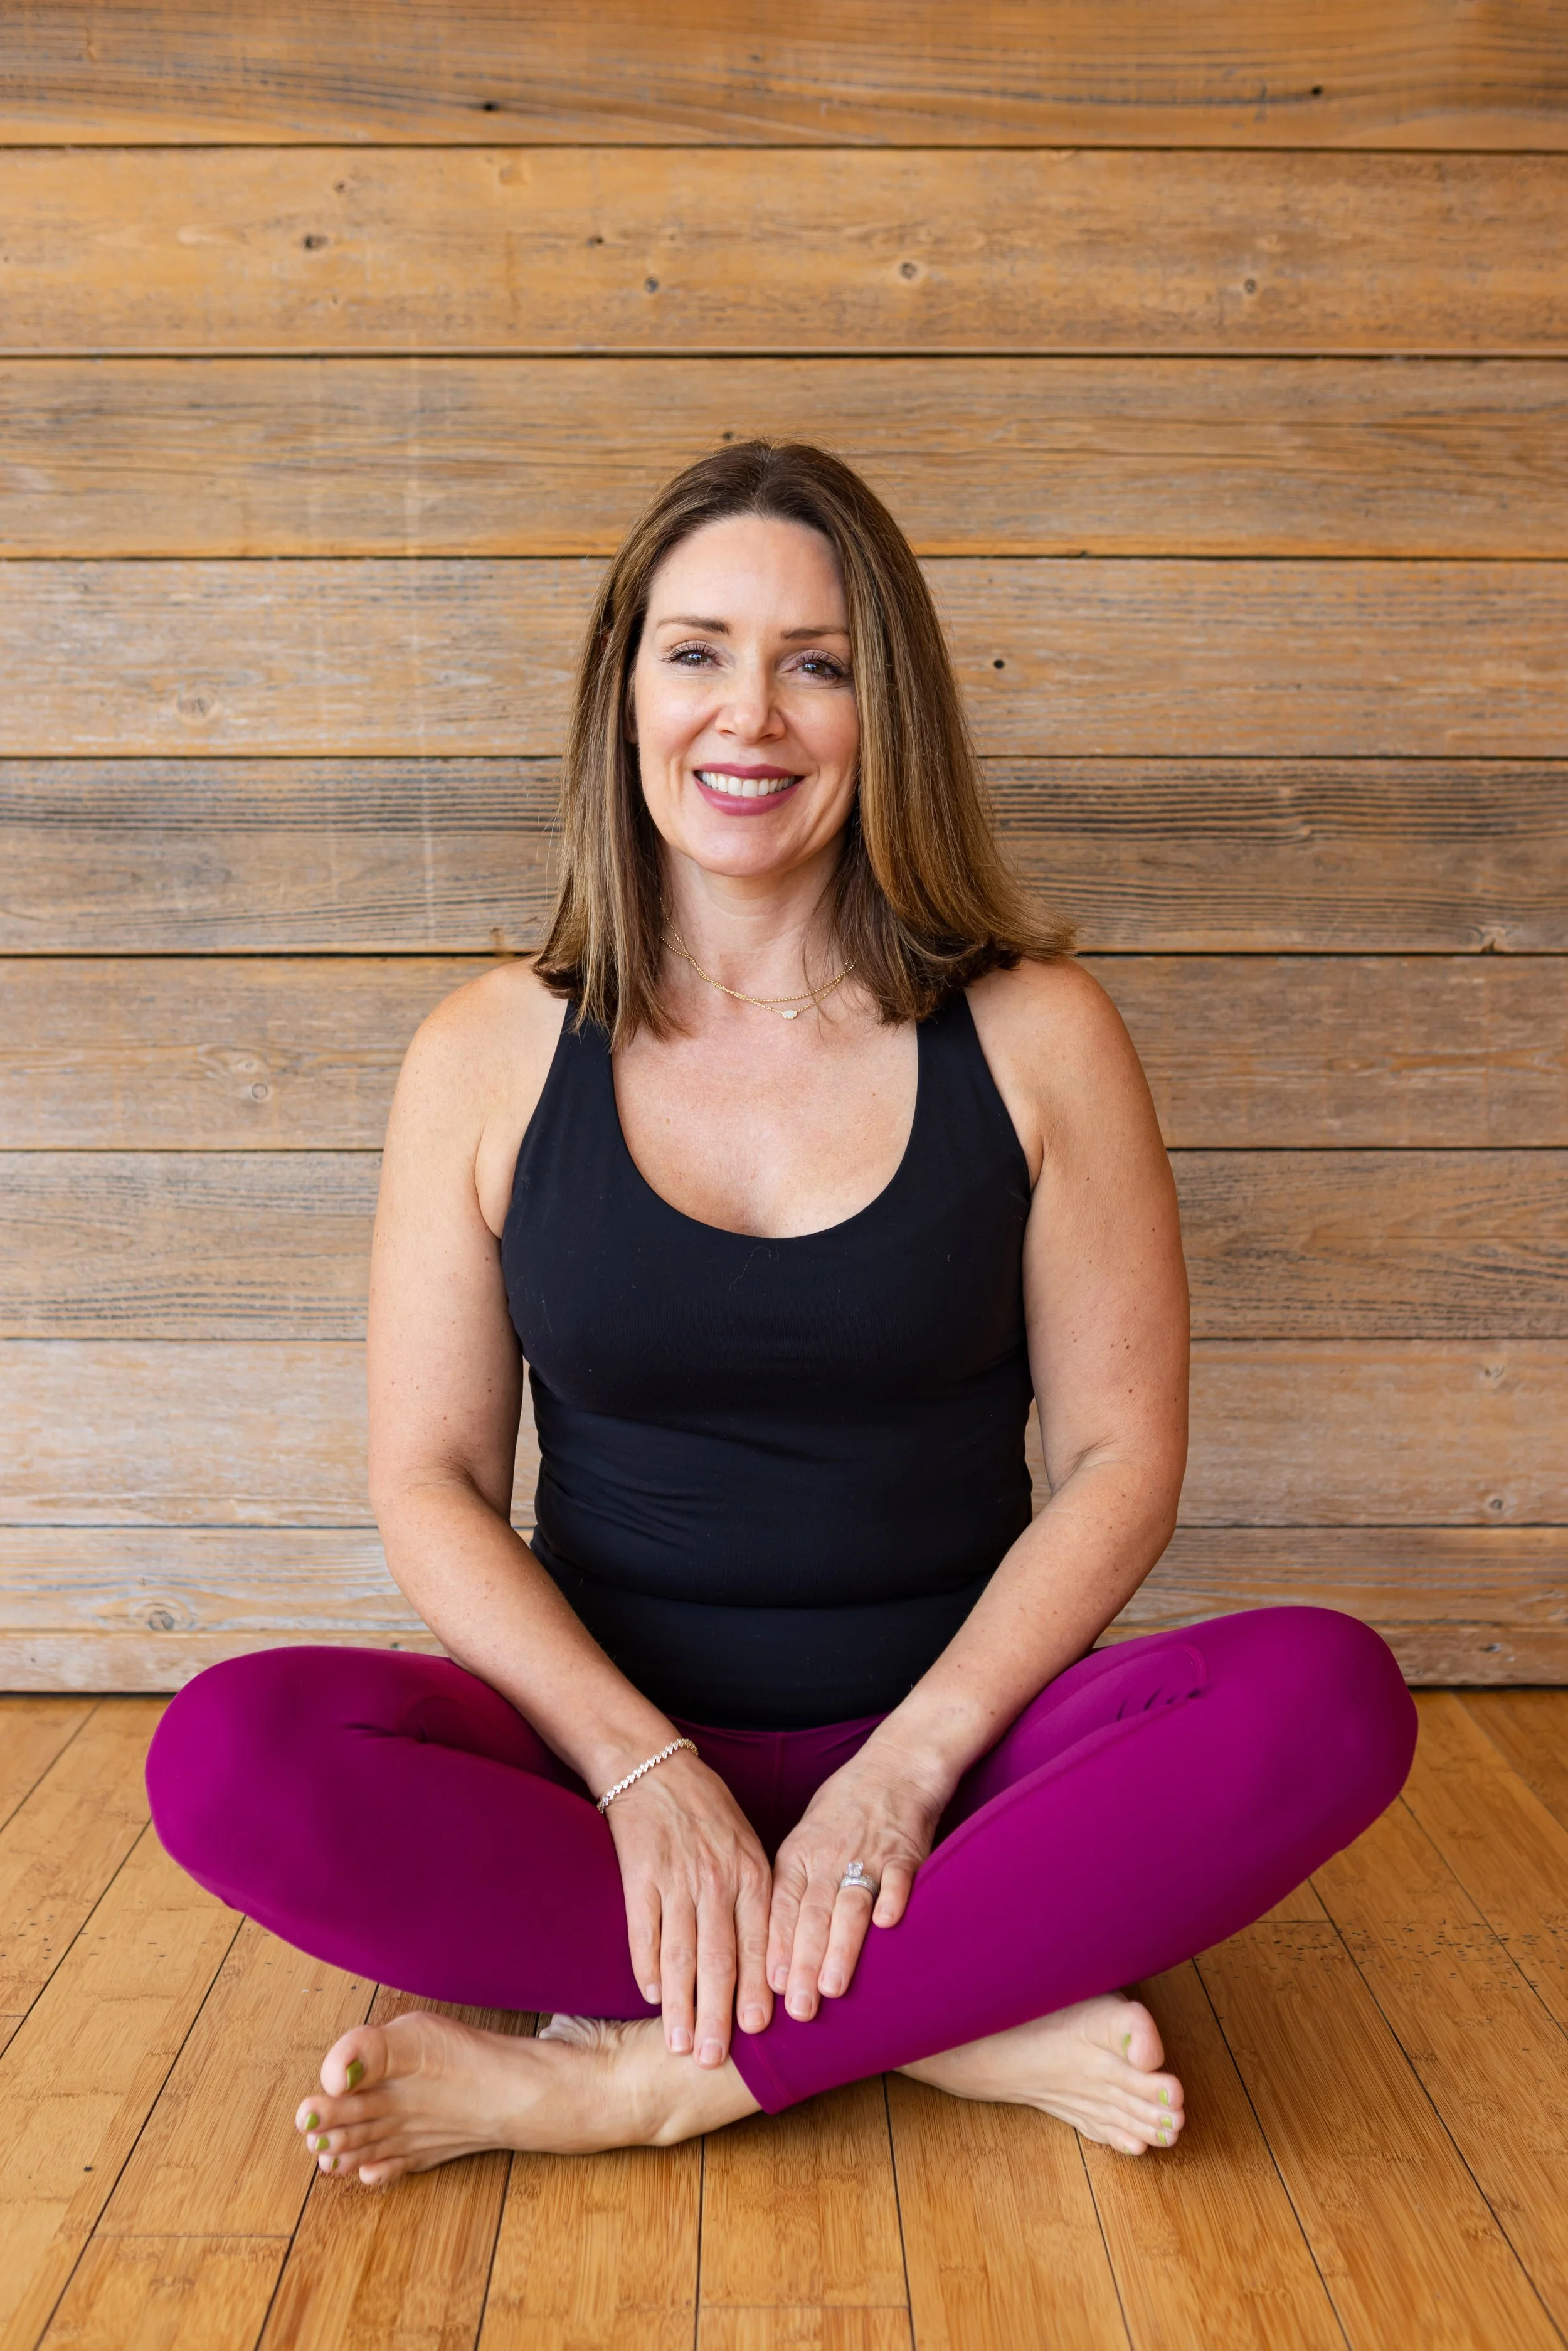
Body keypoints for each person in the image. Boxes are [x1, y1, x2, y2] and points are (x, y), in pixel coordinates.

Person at [146, 441, 1416, 2185]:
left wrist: (900, 1777)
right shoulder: (485, 1054)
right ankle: (954, 2009)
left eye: (814, 660)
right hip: (594, 1764)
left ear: (882, 705)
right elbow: (428, 1480)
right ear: (625, 690)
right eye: (697, 651)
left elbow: (1121, 1455)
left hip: (955, 1766)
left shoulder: (1039, 1035)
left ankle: (653, 2076)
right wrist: (639, 1767)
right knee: (228, 1756)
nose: (750, 713)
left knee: (1325, 1698)